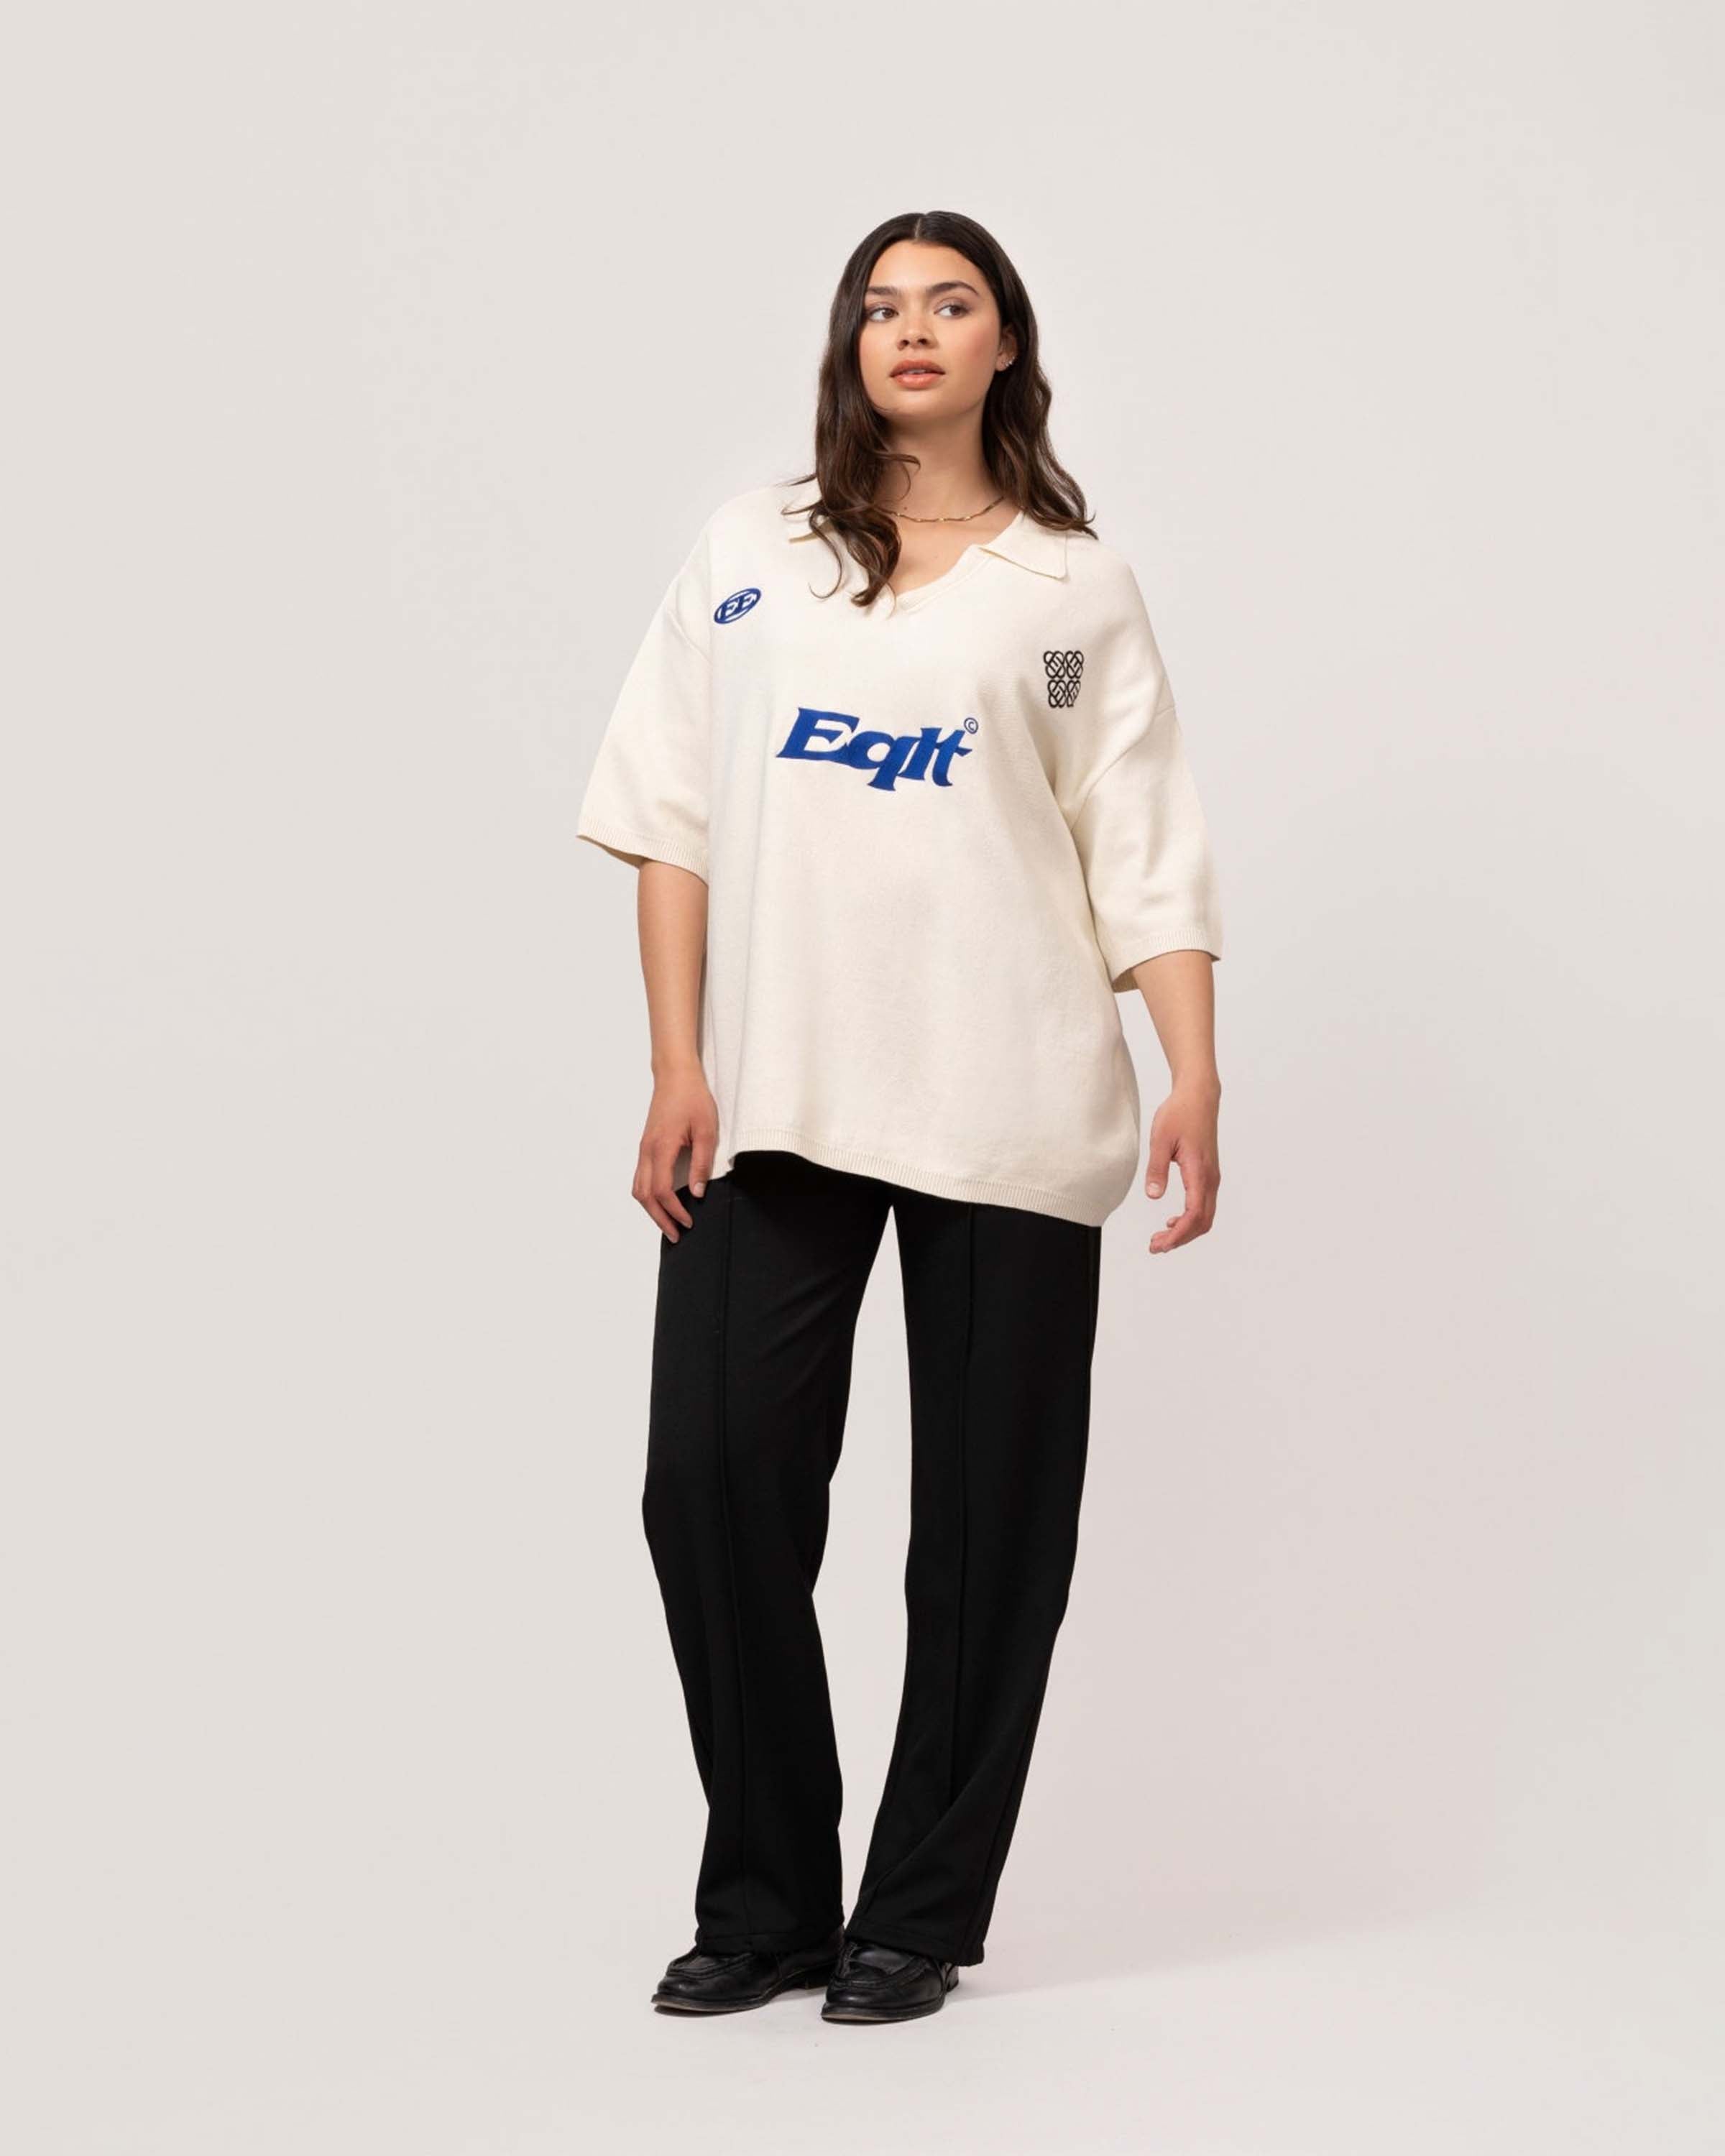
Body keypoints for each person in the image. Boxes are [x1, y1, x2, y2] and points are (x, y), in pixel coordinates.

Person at [576, 209, 1225, 2024]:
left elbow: (1141, 849)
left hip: (1010, 1097)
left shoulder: (1071, 590)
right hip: (775, 1093)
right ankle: (770, 1897)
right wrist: (677, 1062)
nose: (911, 329)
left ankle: (918, 1912)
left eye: (950, 302)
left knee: (988, 1530)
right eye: (881, 305)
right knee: (711, 1487)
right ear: (849, 343)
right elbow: (672, 819)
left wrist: (1192, 1067)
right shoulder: (752, 554)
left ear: (1006, 341)